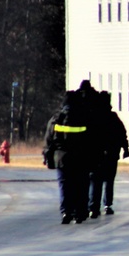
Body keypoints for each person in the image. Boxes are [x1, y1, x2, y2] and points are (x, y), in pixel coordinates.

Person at [43, 90, 92, 224]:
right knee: (81, 185)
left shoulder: (56, 119)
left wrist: (47, 156)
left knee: (65, 186)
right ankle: (80, 212)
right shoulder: (84, 117)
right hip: (81, 158)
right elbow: (91, 140)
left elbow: (49, 140)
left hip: (62, 158)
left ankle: (66, 211)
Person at [90, 91, 129, 217]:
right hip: (112, 154)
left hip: (96, 154)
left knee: (96, 181)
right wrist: (125, 148)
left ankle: (94, 207)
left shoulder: (93, 117)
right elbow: (122, 133)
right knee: (109, 180)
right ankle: (107, 205)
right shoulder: (113, 117)